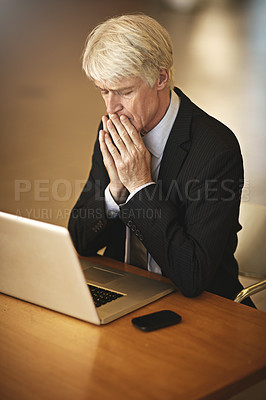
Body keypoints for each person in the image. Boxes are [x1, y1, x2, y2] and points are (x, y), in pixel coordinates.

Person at [68, 14, 254, 307]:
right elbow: (79, 241)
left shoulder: (217, 150)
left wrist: (140, 187)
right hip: (125, 292)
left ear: (160, 78)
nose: (111, 107)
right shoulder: (113, 128)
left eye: (125, 92)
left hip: (199, 308)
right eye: (104, 91)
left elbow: (192, 276)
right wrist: (115, 193)